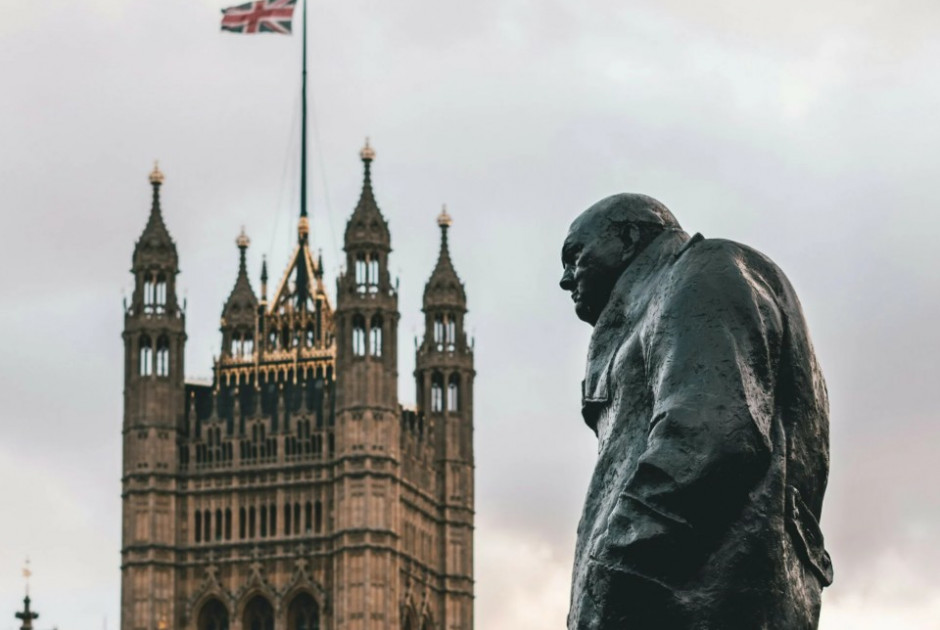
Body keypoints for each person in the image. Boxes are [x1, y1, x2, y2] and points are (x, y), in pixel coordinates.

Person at [559, 193, 833, 630]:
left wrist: (609, 574)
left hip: (685, 599)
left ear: (629, 237)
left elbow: (711, 436)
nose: (565, 279)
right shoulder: (653, 307)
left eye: (575, 256)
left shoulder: (702, 272)